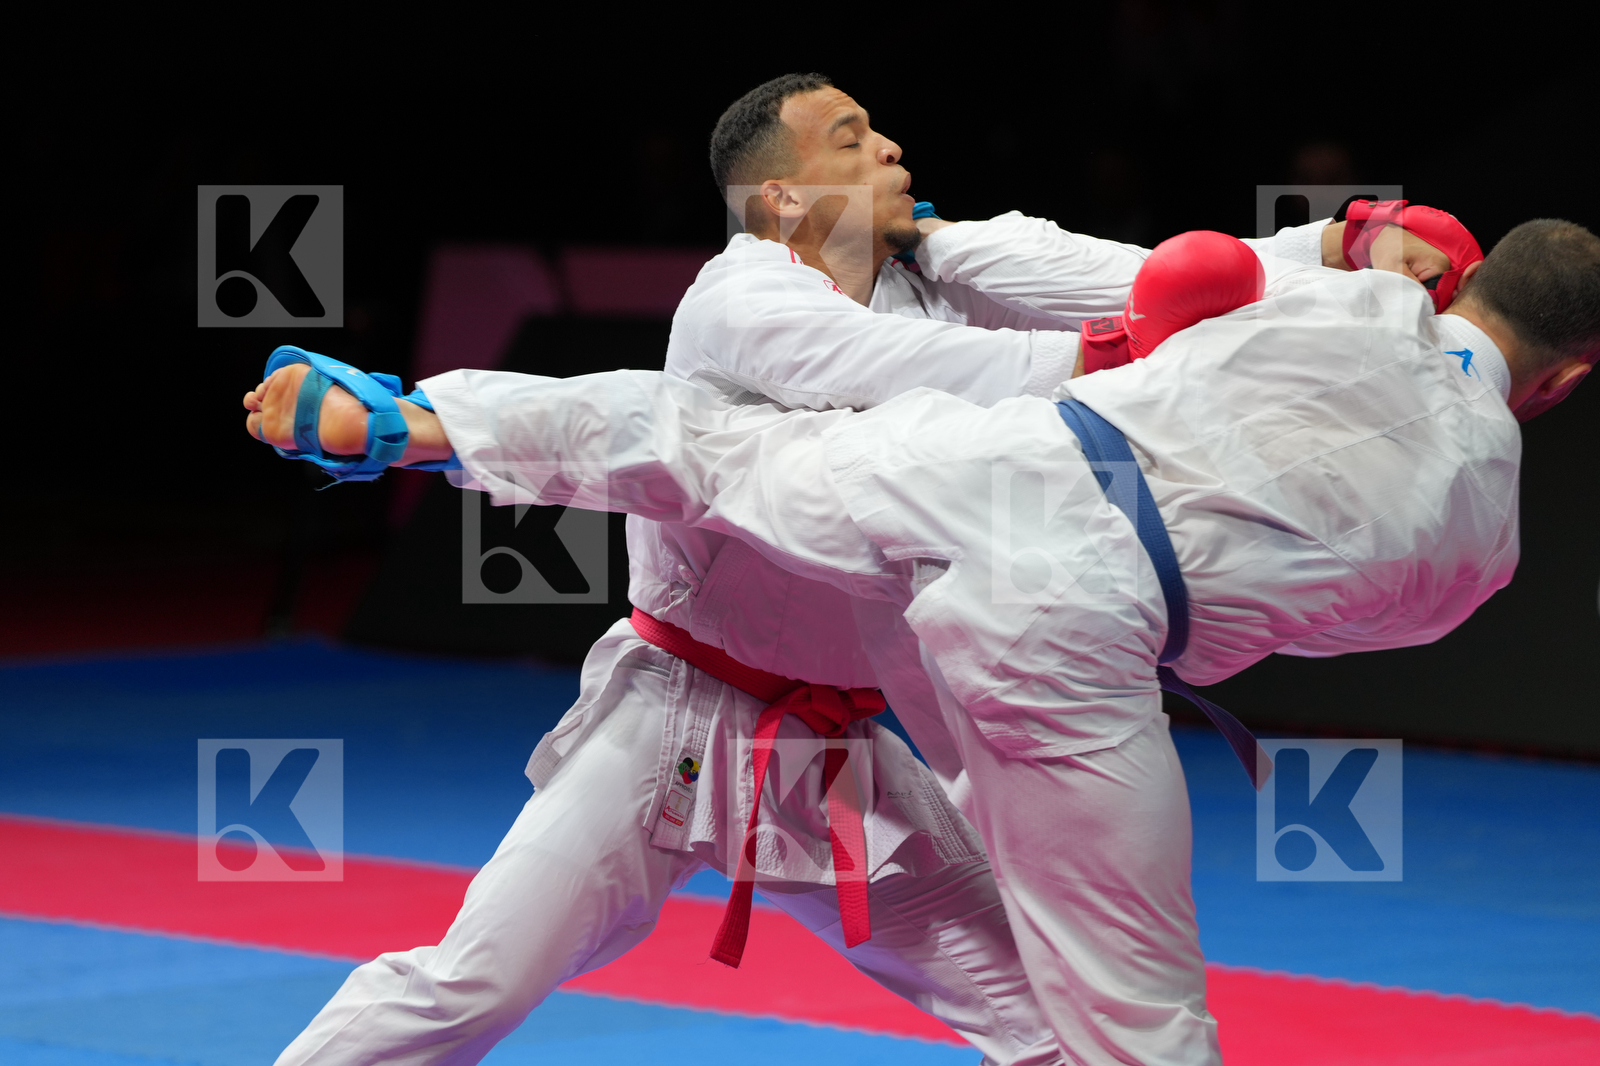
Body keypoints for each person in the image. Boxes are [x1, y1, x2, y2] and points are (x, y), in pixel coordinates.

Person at [254, 72, 1481, 1066]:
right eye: (852, 138)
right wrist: (1129, 357)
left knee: (1065, 1023)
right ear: (782, 198)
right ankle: (416, 424)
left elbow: (1147, 275)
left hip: (842, 752)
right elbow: (914, 378)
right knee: (472, 985)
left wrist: (1339, 244)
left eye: (882, 128)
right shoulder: (741, 301)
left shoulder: (945, 269)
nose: (891, 146)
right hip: (671, 721)